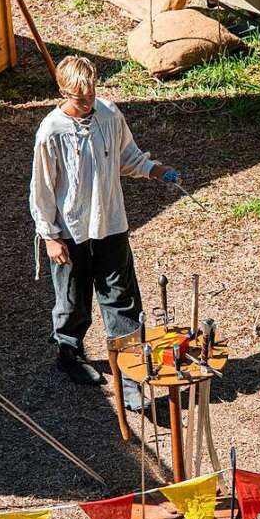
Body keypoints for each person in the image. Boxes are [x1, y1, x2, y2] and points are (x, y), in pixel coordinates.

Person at [30, 56, 177, 410]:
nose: (89, 101)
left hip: (110, 225)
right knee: (73, 299)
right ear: (64, 93)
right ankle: (69, 353)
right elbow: (43, 189)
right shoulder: (51, 131)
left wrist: (155, 170)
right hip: (70, 231)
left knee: (122, 300)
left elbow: (127, 156)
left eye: (93, 91)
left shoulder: (109, 115)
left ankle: (129, 377)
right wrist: (50, 236)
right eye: (81, 97)